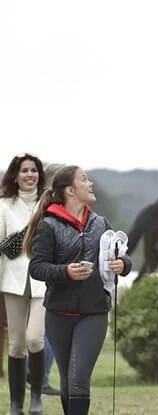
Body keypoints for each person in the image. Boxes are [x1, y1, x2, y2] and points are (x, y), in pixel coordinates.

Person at [24, 165, 133, 415]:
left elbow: (124, 257)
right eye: (84, 179)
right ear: (71, 190)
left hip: (94, 313)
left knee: (79, 377)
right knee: (67, 382)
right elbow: (37, 268)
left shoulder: (100, 223)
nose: (90, 183)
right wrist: (66, 272)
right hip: (58, 314)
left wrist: (122, 265)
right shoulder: (49, 225)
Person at [0, 153, 47, 415]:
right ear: (15, 176)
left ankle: (37, 397)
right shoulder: (4, 205)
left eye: (34, 170)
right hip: (12, 280)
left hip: (43, 282)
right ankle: (16, 403)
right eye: (24, 170)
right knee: (16, 344)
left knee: (34, 339)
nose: (30, 175)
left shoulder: (48, 204)